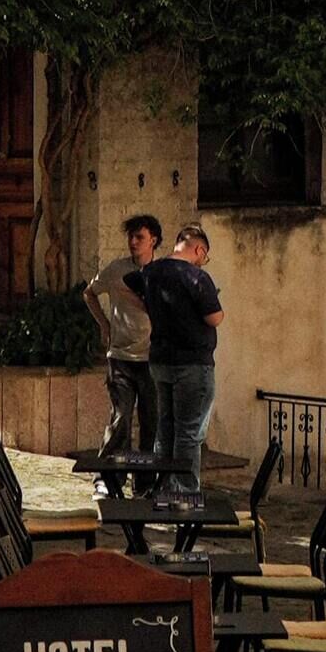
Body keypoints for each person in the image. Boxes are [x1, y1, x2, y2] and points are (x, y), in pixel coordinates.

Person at [135, 219, 222, 512]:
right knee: (189, 432)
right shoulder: (196, 277)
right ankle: (184, 494)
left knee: (166, 427)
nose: (203, 262)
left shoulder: (151, 272)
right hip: (192, 363)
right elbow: (214, 317)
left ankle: (163, 489)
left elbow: (132, 286)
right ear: (199, 250)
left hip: (160, 360)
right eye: (204, 257)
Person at [86, 214, 162, 474]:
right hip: (120, 358)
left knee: (151, 423)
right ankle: (109, 477)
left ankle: (145, 481)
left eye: (139, 237)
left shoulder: (161, 273)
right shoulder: (116, 270)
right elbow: (89, 293)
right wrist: (104, 325)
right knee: (121, 419)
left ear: (153, 240)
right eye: (131, 236)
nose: (133, 242)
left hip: (151, 359)